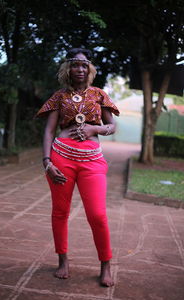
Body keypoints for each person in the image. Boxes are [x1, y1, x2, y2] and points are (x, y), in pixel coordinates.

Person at [35, 48, 120, 287]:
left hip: (92, 160)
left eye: (84, 65)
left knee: (97, 215)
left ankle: (105, 265)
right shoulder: (59, 96)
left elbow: (112, 126)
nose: (80, 69)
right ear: (67, 69)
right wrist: (47, 162)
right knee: (60, 213)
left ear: (89, 69)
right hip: (61, 158)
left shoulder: (99, 94)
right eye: (75, 65)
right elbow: (49, 130)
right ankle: (63, 260)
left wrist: (95, 129)